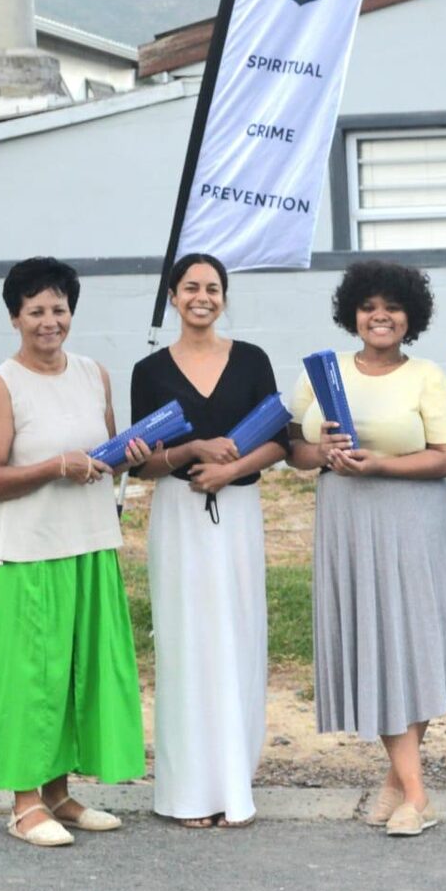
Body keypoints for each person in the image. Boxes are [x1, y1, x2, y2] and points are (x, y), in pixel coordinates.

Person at [287, 260, 446, 838]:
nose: (381, 316)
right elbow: (293, 450)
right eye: (370, 306)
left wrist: (380, 464)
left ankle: (412, 793)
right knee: (375, 645)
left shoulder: (427, 375)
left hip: (414, 517)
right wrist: (322, 453)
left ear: (410, 317)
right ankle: (405, 786)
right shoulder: (321, 373)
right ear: (353, 313)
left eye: (393, 307)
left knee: (414, 643)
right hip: (348, 520)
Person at [0, 257, 150, 847]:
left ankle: (58, 794)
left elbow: (105, 454)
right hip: (26, 552)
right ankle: (23, 805)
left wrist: (129, 453)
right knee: (29, 680)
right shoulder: (1, 384)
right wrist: (53, 466)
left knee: (72, 674)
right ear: (15, 318)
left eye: (59, 309)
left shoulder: (93, 373)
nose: (50, 322)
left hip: (90, 543)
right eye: (36, 311)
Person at [130, 253, 290, 829]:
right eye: (191, 287)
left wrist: (229, 469)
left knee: (237, 635)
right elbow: (143, 466)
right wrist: (192, 453)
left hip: (238, 510)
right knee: (185, 642)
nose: (203, 296)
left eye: (213, 287)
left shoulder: (251, 360)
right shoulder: (149, 372)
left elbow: (281, 443)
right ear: (173, 296)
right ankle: (187, 791)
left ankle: (233, 784)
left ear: (224, 297)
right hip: (177, 516)